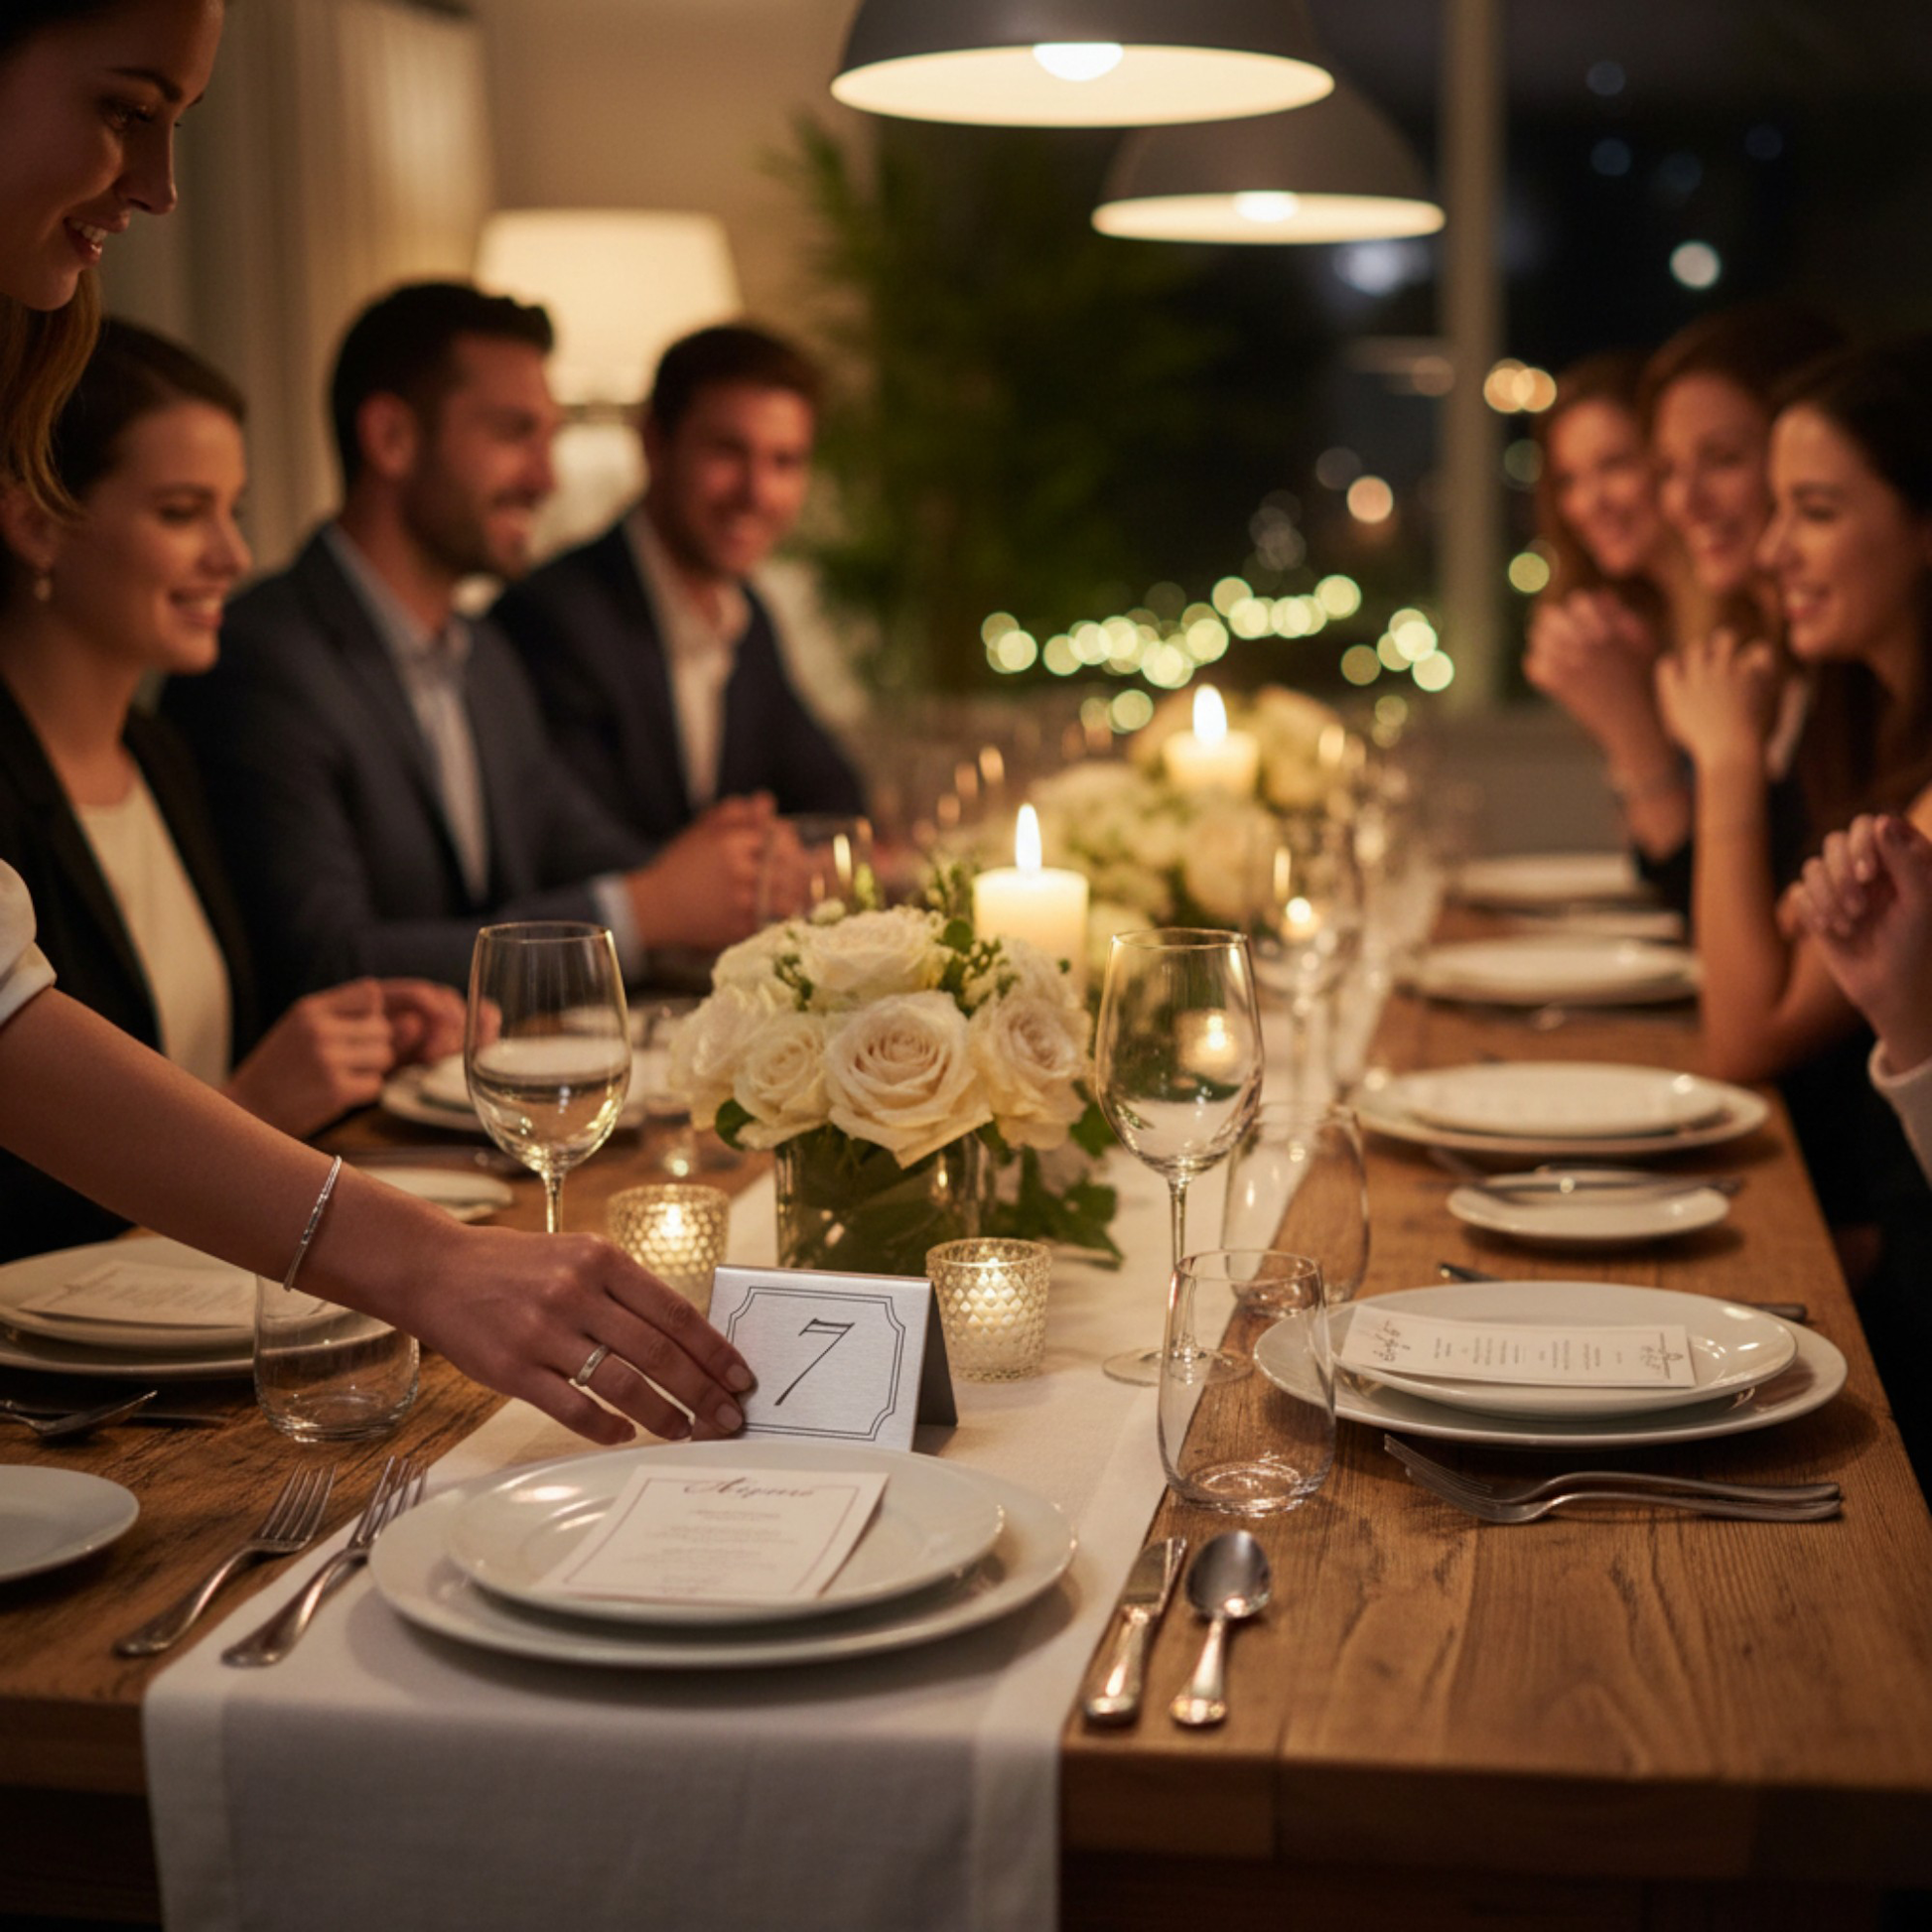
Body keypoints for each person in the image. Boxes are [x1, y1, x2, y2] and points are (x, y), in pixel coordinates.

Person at [0, 0, 753, 1447]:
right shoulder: (268, 665)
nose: (160, 186)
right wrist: (421, 1255)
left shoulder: (242, 727)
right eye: (125, 108)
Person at [0, 319, 479, 1258]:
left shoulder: (163, 758)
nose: (233, 555)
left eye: (234, 511)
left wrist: (364, 1041)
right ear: (38, 526)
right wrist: (249, 1105)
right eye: (183, 512)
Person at [163, 282, 775, 1011]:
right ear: (392, 438)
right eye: (515, 434)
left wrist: (730, 874)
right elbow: (325, 963)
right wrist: (640, 912)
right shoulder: (258, 661)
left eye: (549, 440)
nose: (546, 479)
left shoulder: (484, 656)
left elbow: (575, 844)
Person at [1656, 336, 1932, 1359]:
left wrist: (1721, 760)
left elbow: (1744, 1034)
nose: (1771, 552)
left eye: (1813, 511)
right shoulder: (1859, 719)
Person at [492, 323, 865, 848]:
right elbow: (576, 851)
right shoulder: (551, 617)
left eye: (784, 462)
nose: (757, 492)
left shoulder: (747, 618)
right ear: (654, 443)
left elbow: (835, 799)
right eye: (727, 452)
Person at [1523, 350, 1702, 869]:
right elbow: (1648, 855)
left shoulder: (1735, 634)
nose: (1588, 503)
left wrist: (1628, 724)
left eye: (1615, 465)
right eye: (1568, 480)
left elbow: (1684, 875)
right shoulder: (1647, 629)